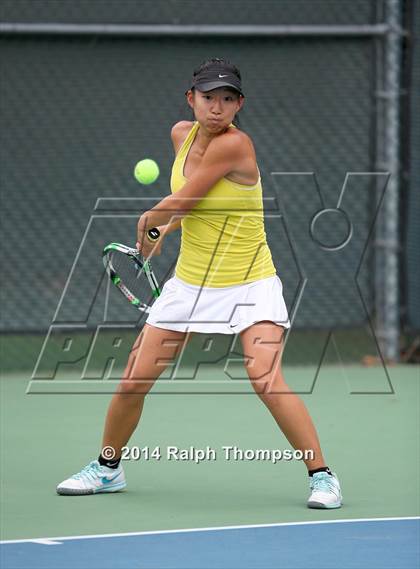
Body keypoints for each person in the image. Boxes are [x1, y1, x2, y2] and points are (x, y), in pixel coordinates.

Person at [57, 58, 342, 509]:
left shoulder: (237, 145)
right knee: (133, 381)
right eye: (209, 97)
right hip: (190, 283)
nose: (218, 107)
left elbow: (184, 197)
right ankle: (107, 468)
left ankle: (322, 476)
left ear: (239, 104)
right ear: (191, 99)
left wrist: (153, 219)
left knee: (264, 377)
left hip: (250, 281)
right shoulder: (180, 135)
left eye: (228, 99)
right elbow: (190, 209)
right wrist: (158, 234)